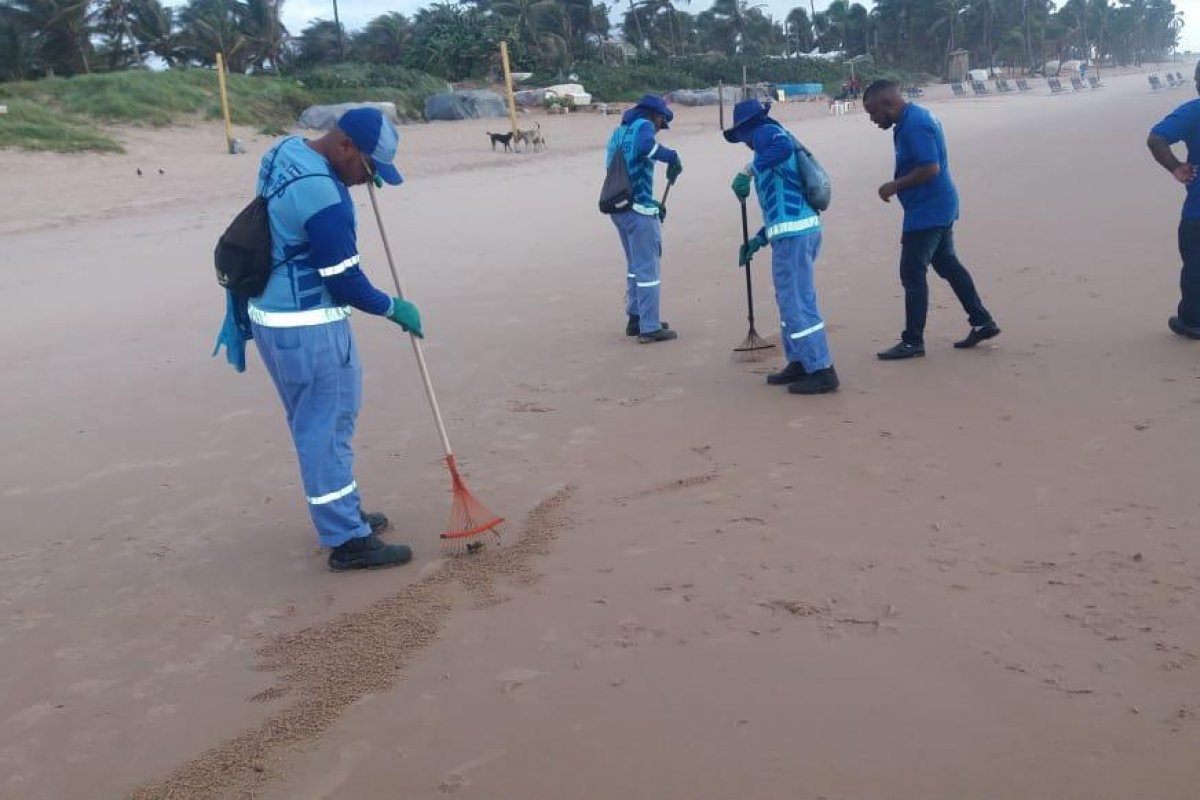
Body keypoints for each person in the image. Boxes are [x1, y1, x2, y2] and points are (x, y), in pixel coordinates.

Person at [215, 108, 423, 572]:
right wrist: (394, 308)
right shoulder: (327, 199)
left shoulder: (285, 152)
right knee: (326, 429)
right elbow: (344, 280)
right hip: (309, 329)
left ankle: (343, 513)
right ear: (345, 146)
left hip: (271, 320)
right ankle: (347, 539)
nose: (368, 181)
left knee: (313, 423)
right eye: (368, 168)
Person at [862, 80, 1000, 360]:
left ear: (888, 103)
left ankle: (913, 341)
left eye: (873, 112)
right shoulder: (912, 119)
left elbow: (930, 168)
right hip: (937, 205)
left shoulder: (914, 124)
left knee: (912, 273)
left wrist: (894, 186)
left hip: (929, 211)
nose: (873, 119)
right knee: (947, 264)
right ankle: (982, 321)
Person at [727, 99, 839, 394]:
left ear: (745, 130)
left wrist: (748, 171)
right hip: (794, 232)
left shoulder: (766, 133)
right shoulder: (766, 146)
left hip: (795, 236)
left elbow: (783, 146)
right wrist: (759, 239)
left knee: (798, 302)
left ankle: (821, 369)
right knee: (790, 300)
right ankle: (800, 361)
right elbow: (781, 205)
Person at [606, 94, 682, 343]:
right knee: (649, 269)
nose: (659, 129)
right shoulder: (644, 126)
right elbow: (645, 147)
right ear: (656, 115)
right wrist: (671, 156)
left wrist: (653, 203)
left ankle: (635, 317)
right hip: (638, 211)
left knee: (634, 267)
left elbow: (622, 169)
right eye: (661, 123)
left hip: (618, 208)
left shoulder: (619, 133)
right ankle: (649, 327)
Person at [1147, 61, 1200, 339]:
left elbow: (1156, 138)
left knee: (1195, 266)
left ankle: (1192, 321)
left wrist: (1176, 167)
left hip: (1197, 212)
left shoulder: (1194, 112)